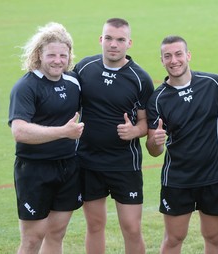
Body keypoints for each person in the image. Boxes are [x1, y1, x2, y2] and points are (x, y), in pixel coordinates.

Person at [73, 18, 154, 254]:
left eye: (120, 40)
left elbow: (145, 122)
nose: (113, 44)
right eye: (108, 38)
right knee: (95, 225)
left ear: (129, 43)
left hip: (124, 165)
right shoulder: (84, 69)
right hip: (88, 162)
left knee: (131, 228)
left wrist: (135, 132)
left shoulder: (140, 78)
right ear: (101, 39)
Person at [146, 35, 218, 254]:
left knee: (213, 237)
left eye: (178, 54)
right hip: (178, 179)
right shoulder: (157, 99)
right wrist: (155, 143)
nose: (174, 60)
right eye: (168, 56)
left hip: (214, 176)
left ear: (188, 55)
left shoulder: (213, 84)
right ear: (162, 60)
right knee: (174, 239)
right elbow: (154, 151)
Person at [8, 22, 84, 254]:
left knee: (56, 234)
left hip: (68, 167)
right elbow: (19, 131)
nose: (58, 60)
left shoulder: (73, 82)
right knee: (32, 240)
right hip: (34, 171)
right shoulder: (26, 87)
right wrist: (64, 132)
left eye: (63, 55)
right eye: (51, 55)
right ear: (39, 54)